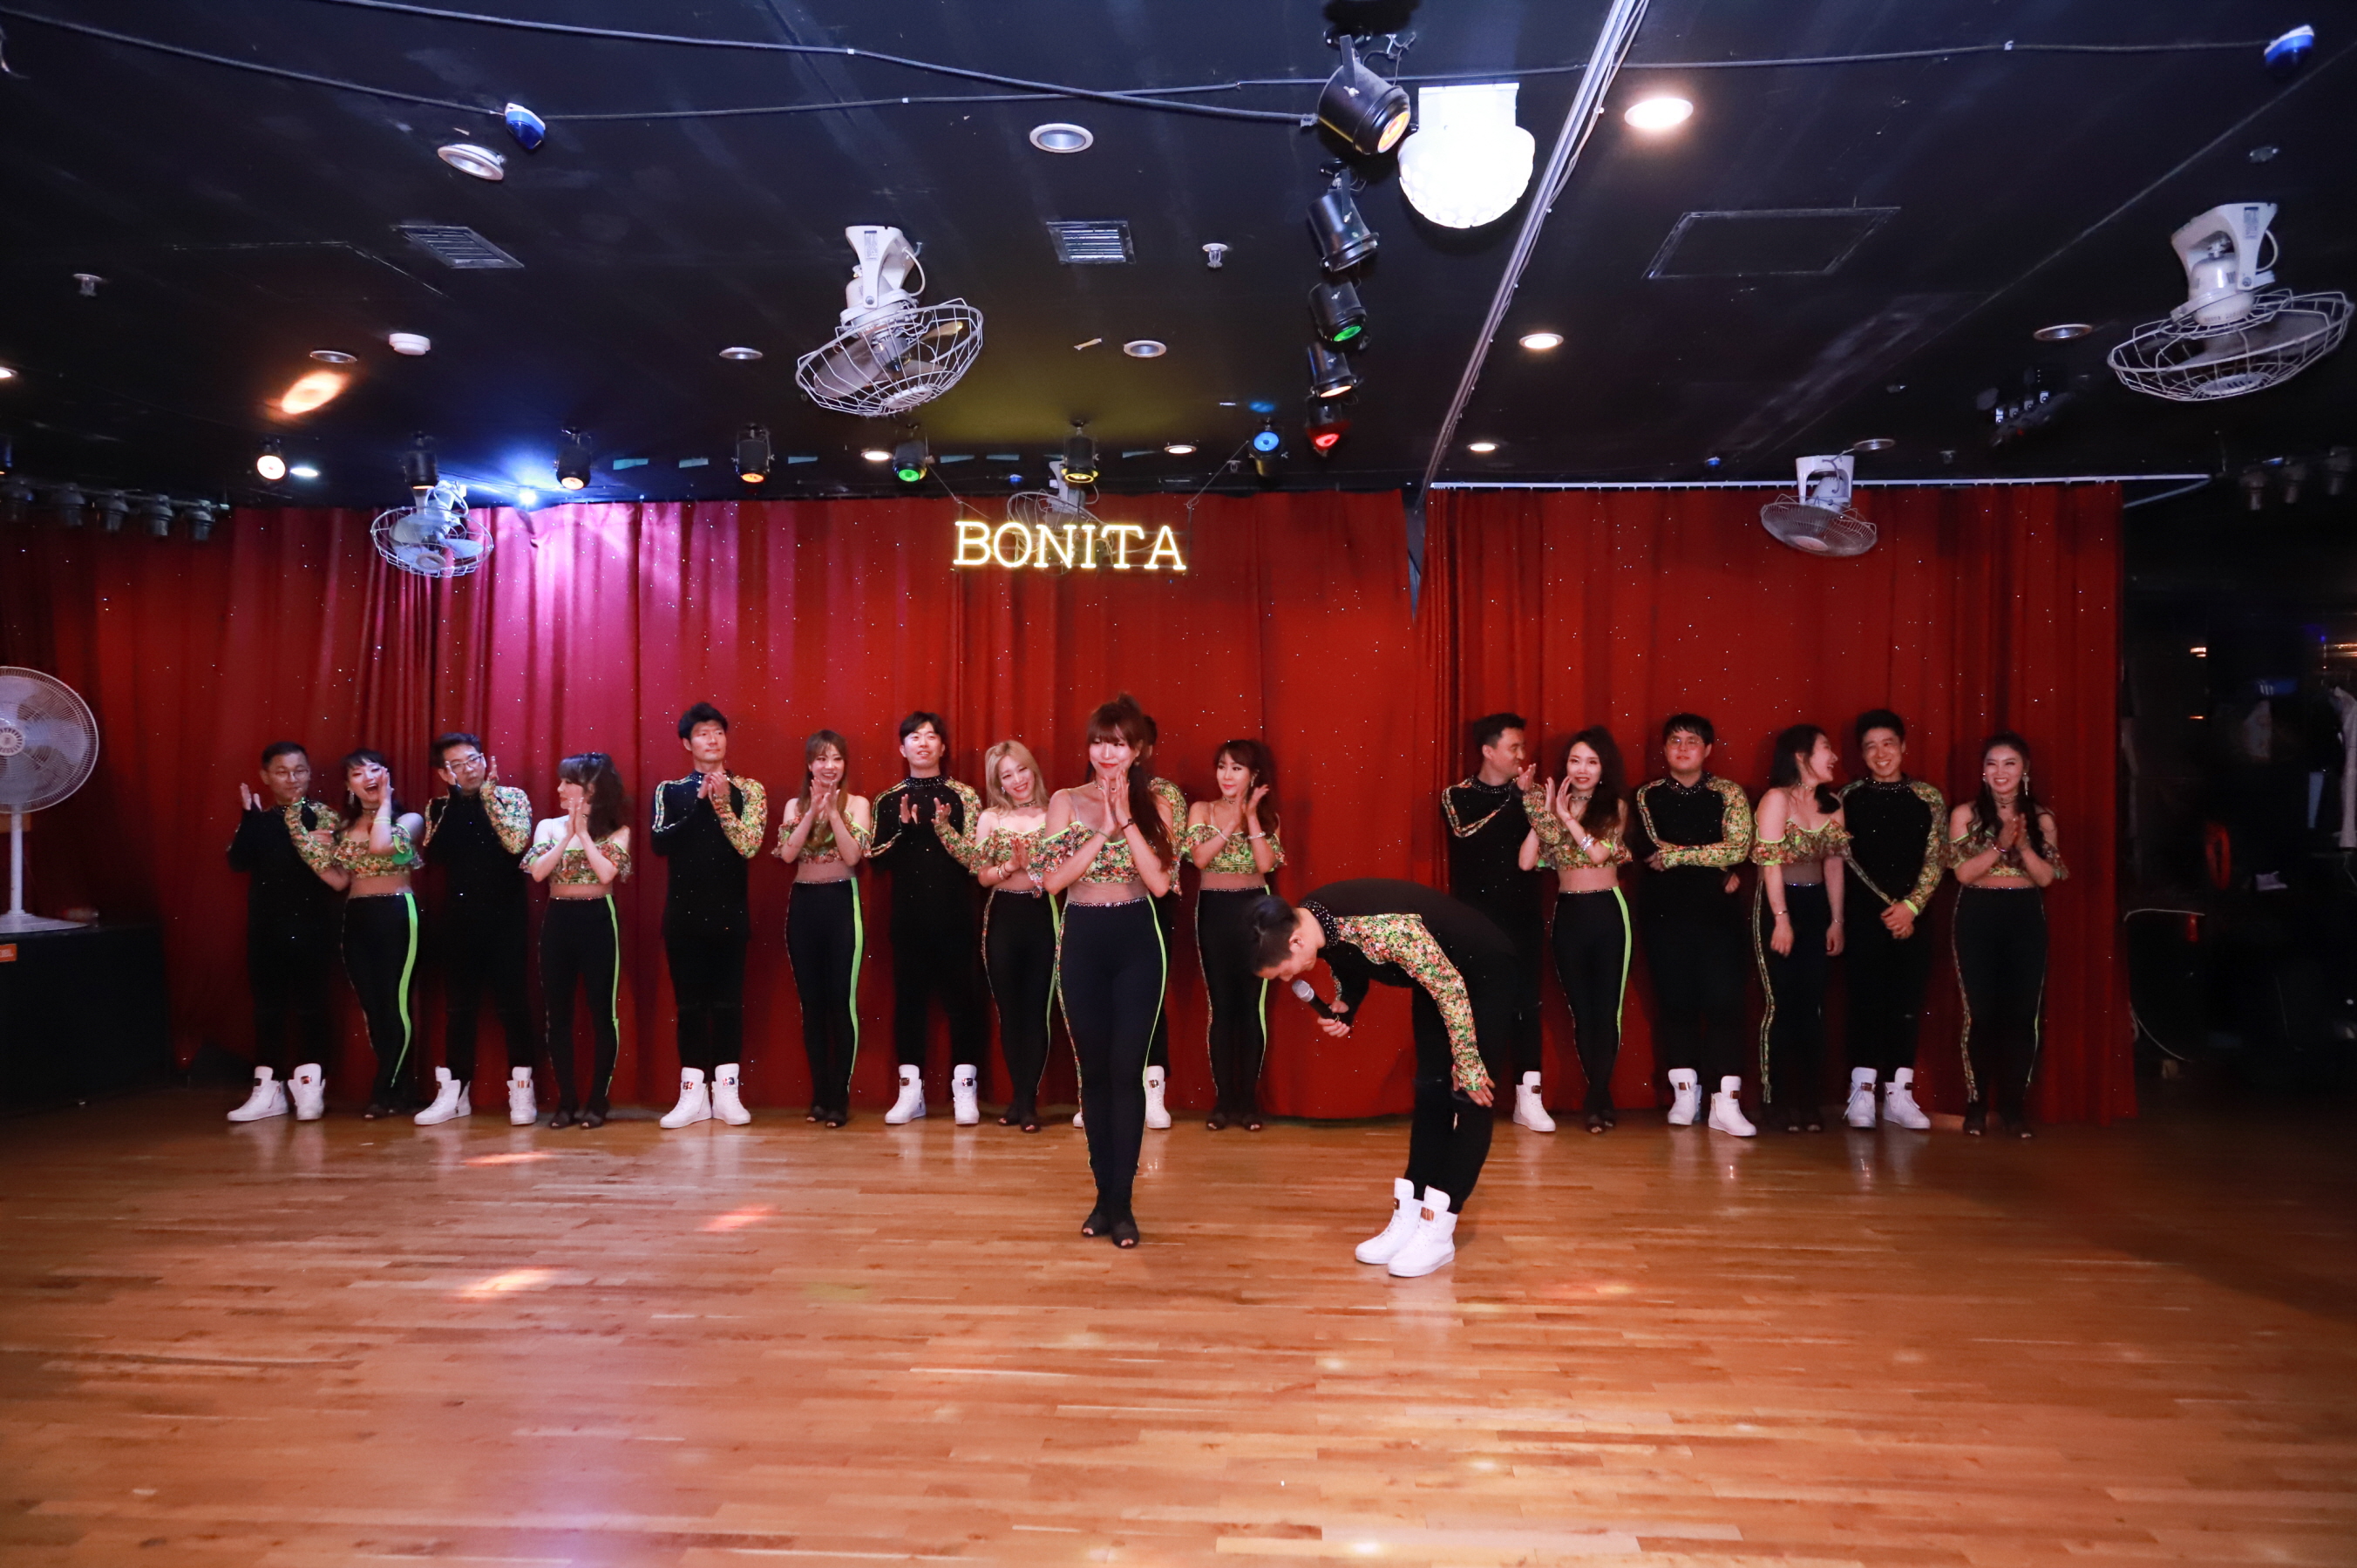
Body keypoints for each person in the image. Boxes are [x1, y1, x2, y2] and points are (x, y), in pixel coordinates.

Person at [1251, 879, 1516, 1279]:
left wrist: (1468, 1061)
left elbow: (1450, 987)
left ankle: (1439, 1230)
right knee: (1430, 1091)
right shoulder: (1312, 919)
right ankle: (1412, 1216)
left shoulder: (1384, 927)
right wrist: (1347, 1003)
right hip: (1435, 981)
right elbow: (1350, 961)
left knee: (1470, 1094)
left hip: (1482, 973)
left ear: (1295, 942)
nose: (1287, 980)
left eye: (1282, 972)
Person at [1030, 697, 1178, 1249]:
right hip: (1083, 941)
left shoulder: (1158, 804)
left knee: (1125, 1071)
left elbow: (1159, 883)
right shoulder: (1066, 801)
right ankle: (1103, 1197)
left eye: (1118, 743)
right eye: (1099, 741)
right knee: (1093, 1073)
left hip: (1137, 941)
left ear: (1137, 750)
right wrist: (1102, 829)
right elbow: (1052, 881)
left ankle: (1123, 1203)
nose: (1107, 753)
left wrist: (1127, 821)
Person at [1626, 714, 1756, 1137]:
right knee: (1674, 1002)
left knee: (1724, 1002)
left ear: (1708, 750)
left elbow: (1739, 846)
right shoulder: (1646, 795)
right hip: (1664, 913)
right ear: (1664, 748)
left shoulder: (1728, 793)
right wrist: (1714, 861)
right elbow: (1648, 848)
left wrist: (1681, 856)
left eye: (1692, 741)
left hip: (1718, 916)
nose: (1683, 748)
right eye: (1675, 741)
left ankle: (1725, 1101)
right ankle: (1685, 1094)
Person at [289, 750, 426, 1119]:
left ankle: (384, 1089)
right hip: (357, 917)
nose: (368, 777)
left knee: (396, 1002)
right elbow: (339, 881)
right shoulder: (343, 829)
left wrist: (384, 803)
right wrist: (309, 847)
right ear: (349, 785)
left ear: (387, 776)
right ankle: (399, 1089)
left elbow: (382, 846)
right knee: (373, 1006)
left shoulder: (410, 820)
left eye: (375, 770)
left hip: (398, 912)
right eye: (357, 773)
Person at [868, 712, 990, 1125]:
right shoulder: (888, 800)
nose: (923, 743)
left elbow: (976, 860)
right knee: (909, 1006)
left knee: (964, 1005)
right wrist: (903, 831)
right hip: (907, 920)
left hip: (956, 917)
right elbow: (875, 861)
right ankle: (910, 1092)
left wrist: (943, 830)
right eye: (914, 737)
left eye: (931, 736)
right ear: (902, 748)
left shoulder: (964, 796)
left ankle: (964, 1092)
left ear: (943, 747)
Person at [649, 703, 766, 1129]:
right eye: (702, 733)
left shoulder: (749, 789)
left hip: (730, 912)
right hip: (683, 915)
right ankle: (693, 1097)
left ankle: (727, 1093)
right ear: (687, 743)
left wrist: (721, 805)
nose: (711, 739)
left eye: (718, 731)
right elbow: (660, 843)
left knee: (728, 1004)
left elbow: (750, 845)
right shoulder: (670, 790)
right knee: (691, 1007)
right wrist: (699, 806)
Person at [1948, 732, 2067, 1137]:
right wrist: (1999, 846)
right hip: (1977, 913)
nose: (2001, 772)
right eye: (1992, 764)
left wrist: (2023, 846)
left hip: (2024, 914)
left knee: (2022, 1014)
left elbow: (2046, 878)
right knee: (1980, 1014)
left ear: (2024, 770)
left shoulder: (2042, 818)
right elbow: (1963, 873)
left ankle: (2014, 1107)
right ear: (1983, 771)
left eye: (2010, 763)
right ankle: (1977, 1104)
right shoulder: (1965, 814)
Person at [416, 732, 535, 1127]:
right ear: (443, 772)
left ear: (485, 759)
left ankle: (522, 1089)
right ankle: (456, 1092)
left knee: (513, 1005)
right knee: (459, 1009)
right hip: (459, 919)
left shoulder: (511, 797)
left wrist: (486, 798)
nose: (468, 769)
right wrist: (456, 799)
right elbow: (436, 853)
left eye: (473, 759)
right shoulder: (439, 807)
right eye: (457, 765)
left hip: (506, 917)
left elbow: (515, 845)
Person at [1518, 729, 1633, 1134]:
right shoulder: (1554, 808)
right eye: (1575, 761)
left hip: (1607, 912)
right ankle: (1599, 1098)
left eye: (1592, 762)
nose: (1582, 769)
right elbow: (1526, 862)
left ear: (1604, 768)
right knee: (1582, 1013)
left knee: (1606, 1011)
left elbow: (1599, 853)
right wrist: (1544, 813)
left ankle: (1597, 1098)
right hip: (1569, 915)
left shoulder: (1614, 806)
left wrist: (1566, 817)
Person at [939, 739, 1056, 1132]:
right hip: (1003, 916)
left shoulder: (1054, 812)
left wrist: (1034, 871)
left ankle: (1028, 1102)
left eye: (1022, 770)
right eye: (1007, 775)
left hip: (1042, 916)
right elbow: (981, 873)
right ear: (998, 782)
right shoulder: (991, 818)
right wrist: (1009, 867)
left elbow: (1066, 869)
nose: (1017, 780)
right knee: (1009, 1011)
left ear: (1033, 770)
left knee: (1036, 1011)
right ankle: (1018, 1098)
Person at [1443, 713, 1553, 1132]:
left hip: (1524, 915)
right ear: (1488, 751)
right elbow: (1472, 838)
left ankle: (1529, 1098)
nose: (1523, 755)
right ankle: (1470, 1097)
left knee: (1527, 1005)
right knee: (1477, 1007)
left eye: (1524, 747)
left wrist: (1530, 801)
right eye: (1514, 747)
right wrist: (1516, 800)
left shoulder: (1532, 793)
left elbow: (1548, 842)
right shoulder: (1458, 795)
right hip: (1476, 920)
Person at [1838, 710, 1946, 1130]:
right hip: (1863, 916)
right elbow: (1841, 857)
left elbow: (1936, 857)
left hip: (1913, 918)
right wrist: (1884, 908)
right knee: (1864, 1001)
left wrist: (1912, 907)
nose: (1880, 753)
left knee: (1906, 1003)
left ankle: (1899, 1094)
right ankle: (1862, 1093)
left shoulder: (1927, 797)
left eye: (1887, 744)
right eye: (1870, 746)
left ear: (1903, 747)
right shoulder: (1847, 797)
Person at [224, 743, 342, 1122]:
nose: (292, 779)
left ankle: (310, 1090)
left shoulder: (324, 817)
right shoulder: (259, 820)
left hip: (312, 927)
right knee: (268, 1010)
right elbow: (237, 862)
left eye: (299, 770)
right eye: (282, 771)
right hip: (266, 930)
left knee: (312, 1007)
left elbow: (340, 872)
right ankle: (268, 1091)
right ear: (266, 776)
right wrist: (248, 819)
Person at [524, 753, 632, 1128]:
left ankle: (598, 1100)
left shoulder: (617, 830)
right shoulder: (548, 827)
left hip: (598, 918)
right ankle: (566, 1100)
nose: (559, 788)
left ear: (591, 788)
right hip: (559, 919)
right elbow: (538, 873)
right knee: (558, 1015)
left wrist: (584, 834)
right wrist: (567, 835)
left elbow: (605, 874)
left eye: (568, 782)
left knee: (603, 1013)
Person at [1751, 725, 1849, 1134]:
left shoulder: (1832, 803)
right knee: (1781, 1005)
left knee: (1813, 1006)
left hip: (1816, 904)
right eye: (1826, 747)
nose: (1834, 756)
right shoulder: (1777, 799)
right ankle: (1775, 1100)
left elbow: (1834, 864)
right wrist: (1781, 919)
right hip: (1780, 904)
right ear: (1800, 755)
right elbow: (1770, 863)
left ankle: (1809, 1101)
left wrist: (1836, 920)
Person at [772, 730, 873, 1127]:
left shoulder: (858, 804)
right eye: (821, 759)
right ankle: (819, 1095)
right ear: (809, 765)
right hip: (804, 905)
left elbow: (853, 855)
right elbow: (787, 854)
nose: (829, 766)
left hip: (841, 903)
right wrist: (811, 811)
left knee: (840, 1003)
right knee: (812, 1005)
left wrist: (832, 813)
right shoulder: (793, 805)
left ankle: (839, 1097)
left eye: (836, 759)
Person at [1184, 739, 1284, 1130]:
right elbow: (1200, 858)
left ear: (1253, 775)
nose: (1227, 775)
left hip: (1257, 912)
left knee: (1251, 1007)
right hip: (1215, 912)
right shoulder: (1202, 810)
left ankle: (1248, 1102)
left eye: (1236, 768)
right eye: (1222, 766)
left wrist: (1252, 816)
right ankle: (1223, 1100)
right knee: (1223, 1007)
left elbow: (1266, 864)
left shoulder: (1270, 817)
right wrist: (1232, 821)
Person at [1134, 704, 1186, 1131]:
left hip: (1154, 901)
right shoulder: (1085, 793)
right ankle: (1100, 1093)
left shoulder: (1164, 794)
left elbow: (1168, 853)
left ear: (1147, 749)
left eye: (1133, 743)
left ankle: (1154, 1093)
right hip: (1099, 904)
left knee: (1148, 998)